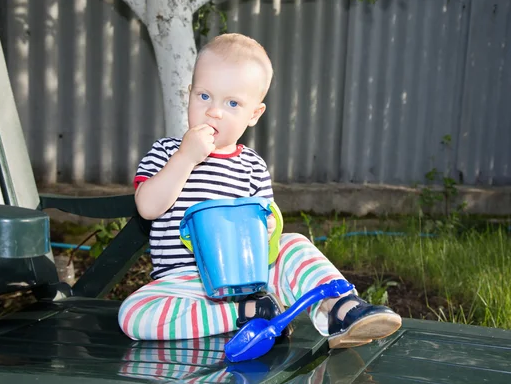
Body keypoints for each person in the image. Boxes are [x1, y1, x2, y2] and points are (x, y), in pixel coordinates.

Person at [118, 33, 401, 349]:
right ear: (188, 95)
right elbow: (147, 207)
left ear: (253, 114)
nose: (214, 112)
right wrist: (185, 157)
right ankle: (245, 315)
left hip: (246, 280)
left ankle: (341, 308)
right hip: (183, 285)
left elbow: (267, 232)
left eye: (232, 103)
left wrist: (267, 230)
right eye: (204, 96)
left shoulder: (252, 166)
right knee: (132, 315)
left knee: (294, 244)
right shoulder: (166, 153)